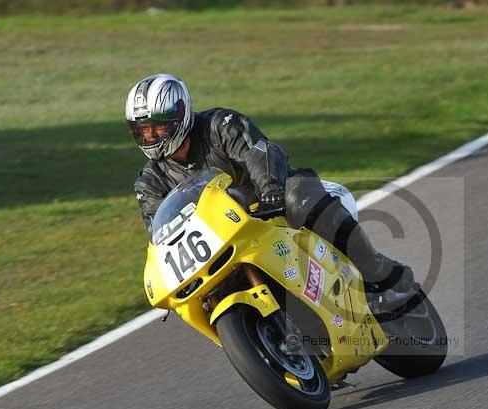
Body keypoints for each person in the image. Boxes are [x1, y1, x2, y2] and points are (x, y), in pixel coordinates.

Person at [127, 73, 415, 297]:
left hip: (269, 208)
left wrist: (269, 189)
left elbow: (258, 152)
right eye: (143, 130)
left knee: (299, 196)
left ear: (180, 115)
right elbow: (159, 231)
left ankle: (378, 273)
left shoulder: (220, 124)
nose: (151, 136)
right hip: (225, 240)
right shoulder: (149, 182)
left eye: (159, 126)